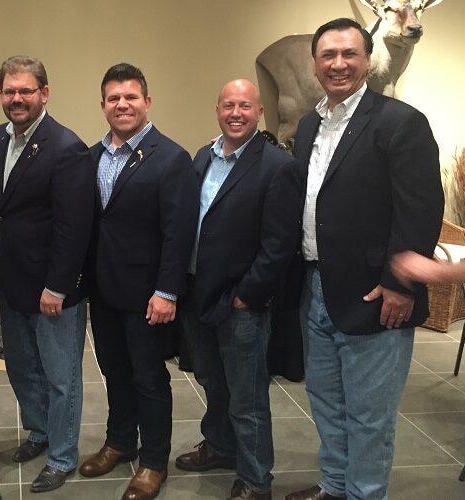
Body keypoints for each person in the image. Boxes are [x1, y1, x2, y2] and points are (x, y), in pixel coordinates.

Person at [284, 18, 443, 500]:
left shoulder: (400, 122)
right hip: (316, 288)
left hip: (376, 294)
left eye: (349, 54)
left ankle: (364, 494)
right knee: (326, 401)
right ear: (315, 64)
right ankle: (335, 486)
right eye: (328, 55)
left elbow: (420, 211)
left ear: (367, 60)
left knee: (370, 417)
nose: (338, 64)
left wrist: (400, 285)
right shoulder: (309, 124)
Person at [174, 79, 302, 500]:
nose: (235, 113)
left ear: (259, 112)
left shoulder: (277, 166)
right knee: (212, 381)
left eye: (245, 106)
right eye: (228, 105)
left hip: (239, 302)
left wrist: (247, 295)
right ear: (217, 110)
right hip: (198, 294)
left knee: (247, 399)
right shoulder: (203, 156)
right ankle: (220, 446)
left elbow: (279, 245)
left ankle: (255, 480)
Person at [80, 63, 198, 500]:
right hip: (104, 290)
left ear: (147, 102)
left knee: (148, 378)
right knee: (113, 370)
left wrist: (167, 291)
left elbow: (178, 233)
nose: (122, 104)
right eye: (113, 98)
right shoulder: (91, 157)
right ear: (103, 105)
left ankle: (153, 461)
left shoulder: (171, 158)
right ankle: (119, 441)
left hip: (148, 294)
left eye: (130, 97)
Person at [0, 55, 94, 493]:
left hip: (52, 289)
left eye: (26, 91)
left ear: (44, 94)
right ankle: (39, 432)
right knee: (22, 367)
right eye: (10, 91)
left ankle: (62, 455)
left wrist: (58, 286)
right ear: (0, 95)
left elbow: (74, 228)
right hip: (12, 282)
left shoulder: (66, 147)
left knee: (60, 377)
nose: (17, 98)